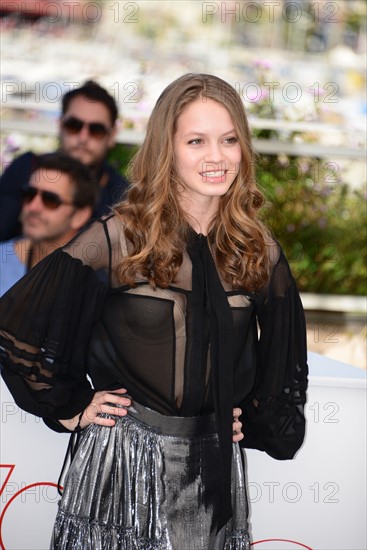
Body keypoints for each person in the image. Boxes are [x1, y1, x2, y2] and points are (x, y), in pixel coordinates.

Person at [0, 74, 308, 549]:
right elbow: (17, 323)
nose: (216, 156)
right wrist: (70, 409)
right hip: (121, 465)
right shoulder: (119, 236)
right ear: (168, 147)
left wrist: (254, 416)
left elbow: (285, 360)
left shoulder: (256, 249)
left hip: (212, 471)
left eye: (229, 140)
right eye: (196, 141)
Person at [0, 80, 129, 242]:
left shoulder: (122, 195)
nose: (83, 137)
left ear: (112, 136)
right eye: (74, 125)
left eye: (96, 130)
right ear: (60, 125)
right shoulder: (25, 169)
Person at [0, 152, 98, 296]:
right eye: (29, 194)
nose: (33, 207)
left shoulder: (94, 282)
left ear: (80, 215)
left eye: (50, 200)